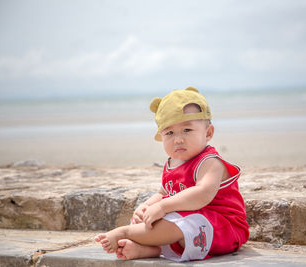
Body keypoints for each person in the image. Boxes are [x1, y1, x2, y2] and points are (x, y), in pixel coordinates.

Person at [95, 87, 249, 261]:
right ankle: (148, 249)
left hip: (223, 227)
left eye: (187, 130)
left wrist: (163, 207)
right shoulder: (172, 162)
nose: (178, 139)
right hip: (189, 223)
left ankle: (126, 233)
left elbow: (202, 195)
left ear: (208, 133)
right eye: (169, 133)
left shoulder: (210, 162)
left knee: (177, 222)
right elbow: (163, 193)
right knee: (148, 218)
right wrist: (147, 206)